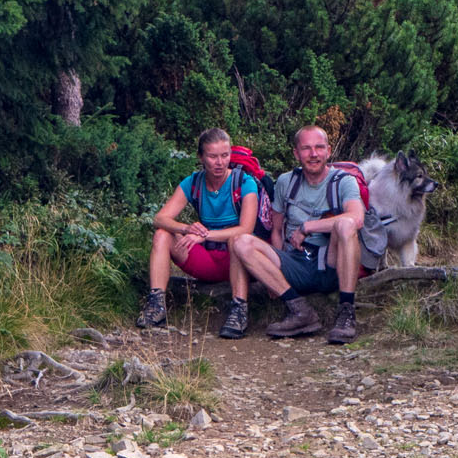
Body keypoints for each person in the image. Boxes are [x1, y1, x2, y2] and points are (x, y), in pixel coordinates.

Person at [233, 125, 366, 344]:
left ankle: (346, 310)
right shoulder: (286, 182)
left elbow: (356, 218)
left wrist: (308, 227)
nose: (313, 154)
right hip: (295, 260)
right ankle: (299, 310)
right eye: (306, 148)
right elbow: (276, 230)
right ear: (296, 153)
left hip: (331, 262)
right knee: (241, 242)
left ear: (329, 151)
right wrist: (272, 276)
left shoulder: (343, 181)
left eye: (319, 147)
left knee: (346, 225)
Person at [136, 128, 261, 338]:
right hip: (208, 260)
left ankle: (239, 309)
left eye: (224, 155)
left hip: (239, 258)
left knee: (238, 239)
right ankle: (156, 304)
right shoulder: (194, 182)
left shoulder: (245, 183)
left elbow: (246, 229)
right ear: (201, 157)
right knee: (162, 234)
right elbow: (160, 218)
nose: (219, 162)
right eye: (212, 156)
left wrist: (204, 235)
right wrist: (185, 229)